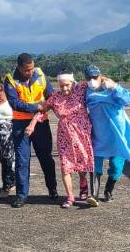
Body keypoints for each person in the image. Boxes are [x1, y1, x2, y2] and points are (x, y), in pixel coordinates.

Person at [78, 64, 130, 202]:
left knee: (116, 164)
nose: (92, 80)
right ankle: (94, 195)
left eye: (95, 77)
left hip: (116, 133)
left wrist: (115, 87)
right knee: (95, 163)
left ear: (100, 76)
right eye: (88, 77)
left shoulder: (112, 88)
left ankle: (108, 191)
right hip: (98, 133)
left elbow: (127, 100)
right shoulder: (86, 91)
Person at [35, 71, 98, 209]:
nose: (64, 89)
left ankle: (83, 182)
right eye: (61, 86)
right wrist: (32, 124)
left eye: (67, 85)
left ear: (73, 82)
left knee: (83, 165)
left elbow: (96, 80)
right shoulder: (55, 97)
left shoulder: (81, 88)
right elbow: (43, 109)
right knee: (65, 166)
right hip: (65, 136)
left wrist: (104, 81)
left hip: (82, 134)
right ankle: (70, 197)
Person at [3, 53, 58, 208]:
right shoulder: (11, 80)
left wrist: (43, 108)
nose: (31, 72)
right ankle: (21, 195)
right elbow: (15, 103)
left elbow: (51, 97)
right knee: (22, 160)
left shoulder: (40, 75)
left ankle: (52, 188)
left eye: (32, 68)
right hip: (20, 124)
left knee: (46, 158)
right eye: (27, 70)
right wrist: (36, 107)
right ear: (19, 68)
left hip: (41, 123)